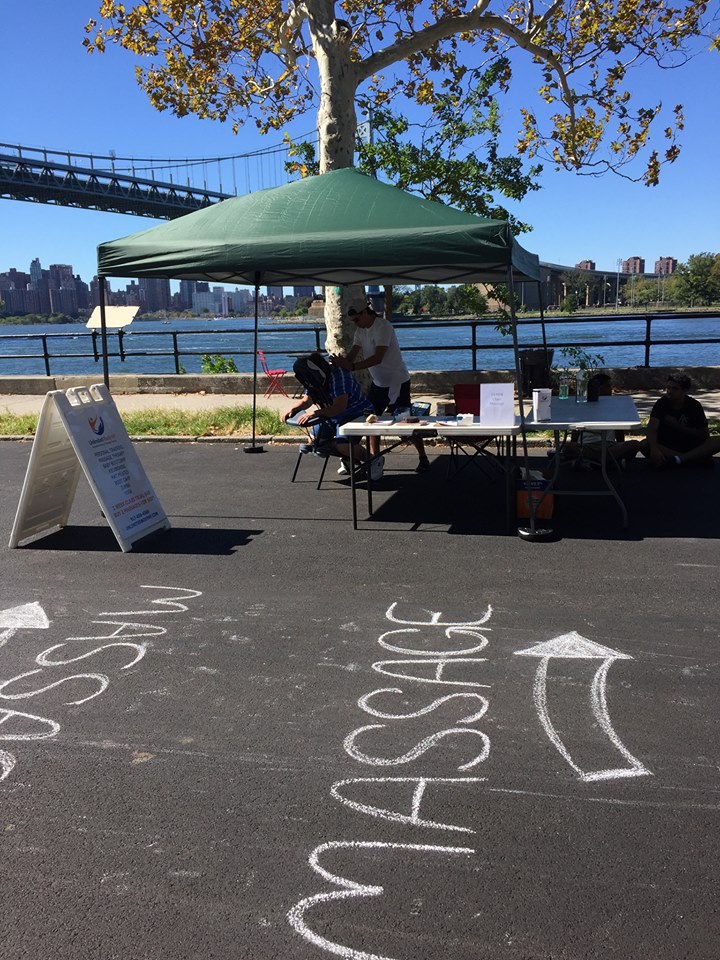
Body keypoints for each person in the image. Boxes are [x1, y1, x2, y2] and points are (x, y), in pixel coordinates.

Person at [330, 303, 430, 472]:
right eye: (353, 321)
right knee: (370, 418)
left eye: (357, 319)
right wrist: (342, 363)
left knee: (407, 421)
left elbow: (378, 357)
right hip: (378, 382)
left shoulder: (383, 326)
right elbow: (353, 354)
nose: (356, 323)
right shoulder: (360, 331)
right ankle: (373, 458)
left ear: (366, 312)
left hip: (397, 381)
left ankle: (423, 457)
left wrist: (352, 367)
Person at [283, 352, 384, 480]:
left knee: (343, 445)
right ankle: (349, 457)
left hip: (356, 412)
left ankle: (372, 460)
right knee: (314, 440)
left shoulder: (339, 376)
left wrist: (316, 413)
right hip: (333, 415)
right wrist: (293, 409)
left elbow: (339, 407)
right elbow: (307, 400)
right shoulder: (313, 380)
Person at [620, 373, 720, 467]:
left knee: (716, 441)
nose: (670, 391)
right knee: (645, 444)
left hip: (689, 444)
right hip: (667, 446)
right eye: (668, 388)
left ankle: (678, 460)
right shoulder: (661, 404)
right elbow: (652, 429)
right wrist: (654, 449)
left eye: (675, 389)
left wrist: (678, 427)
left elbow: (704, 434)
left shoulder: (694, 406)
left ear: (684, 390)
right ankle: (690, 459)